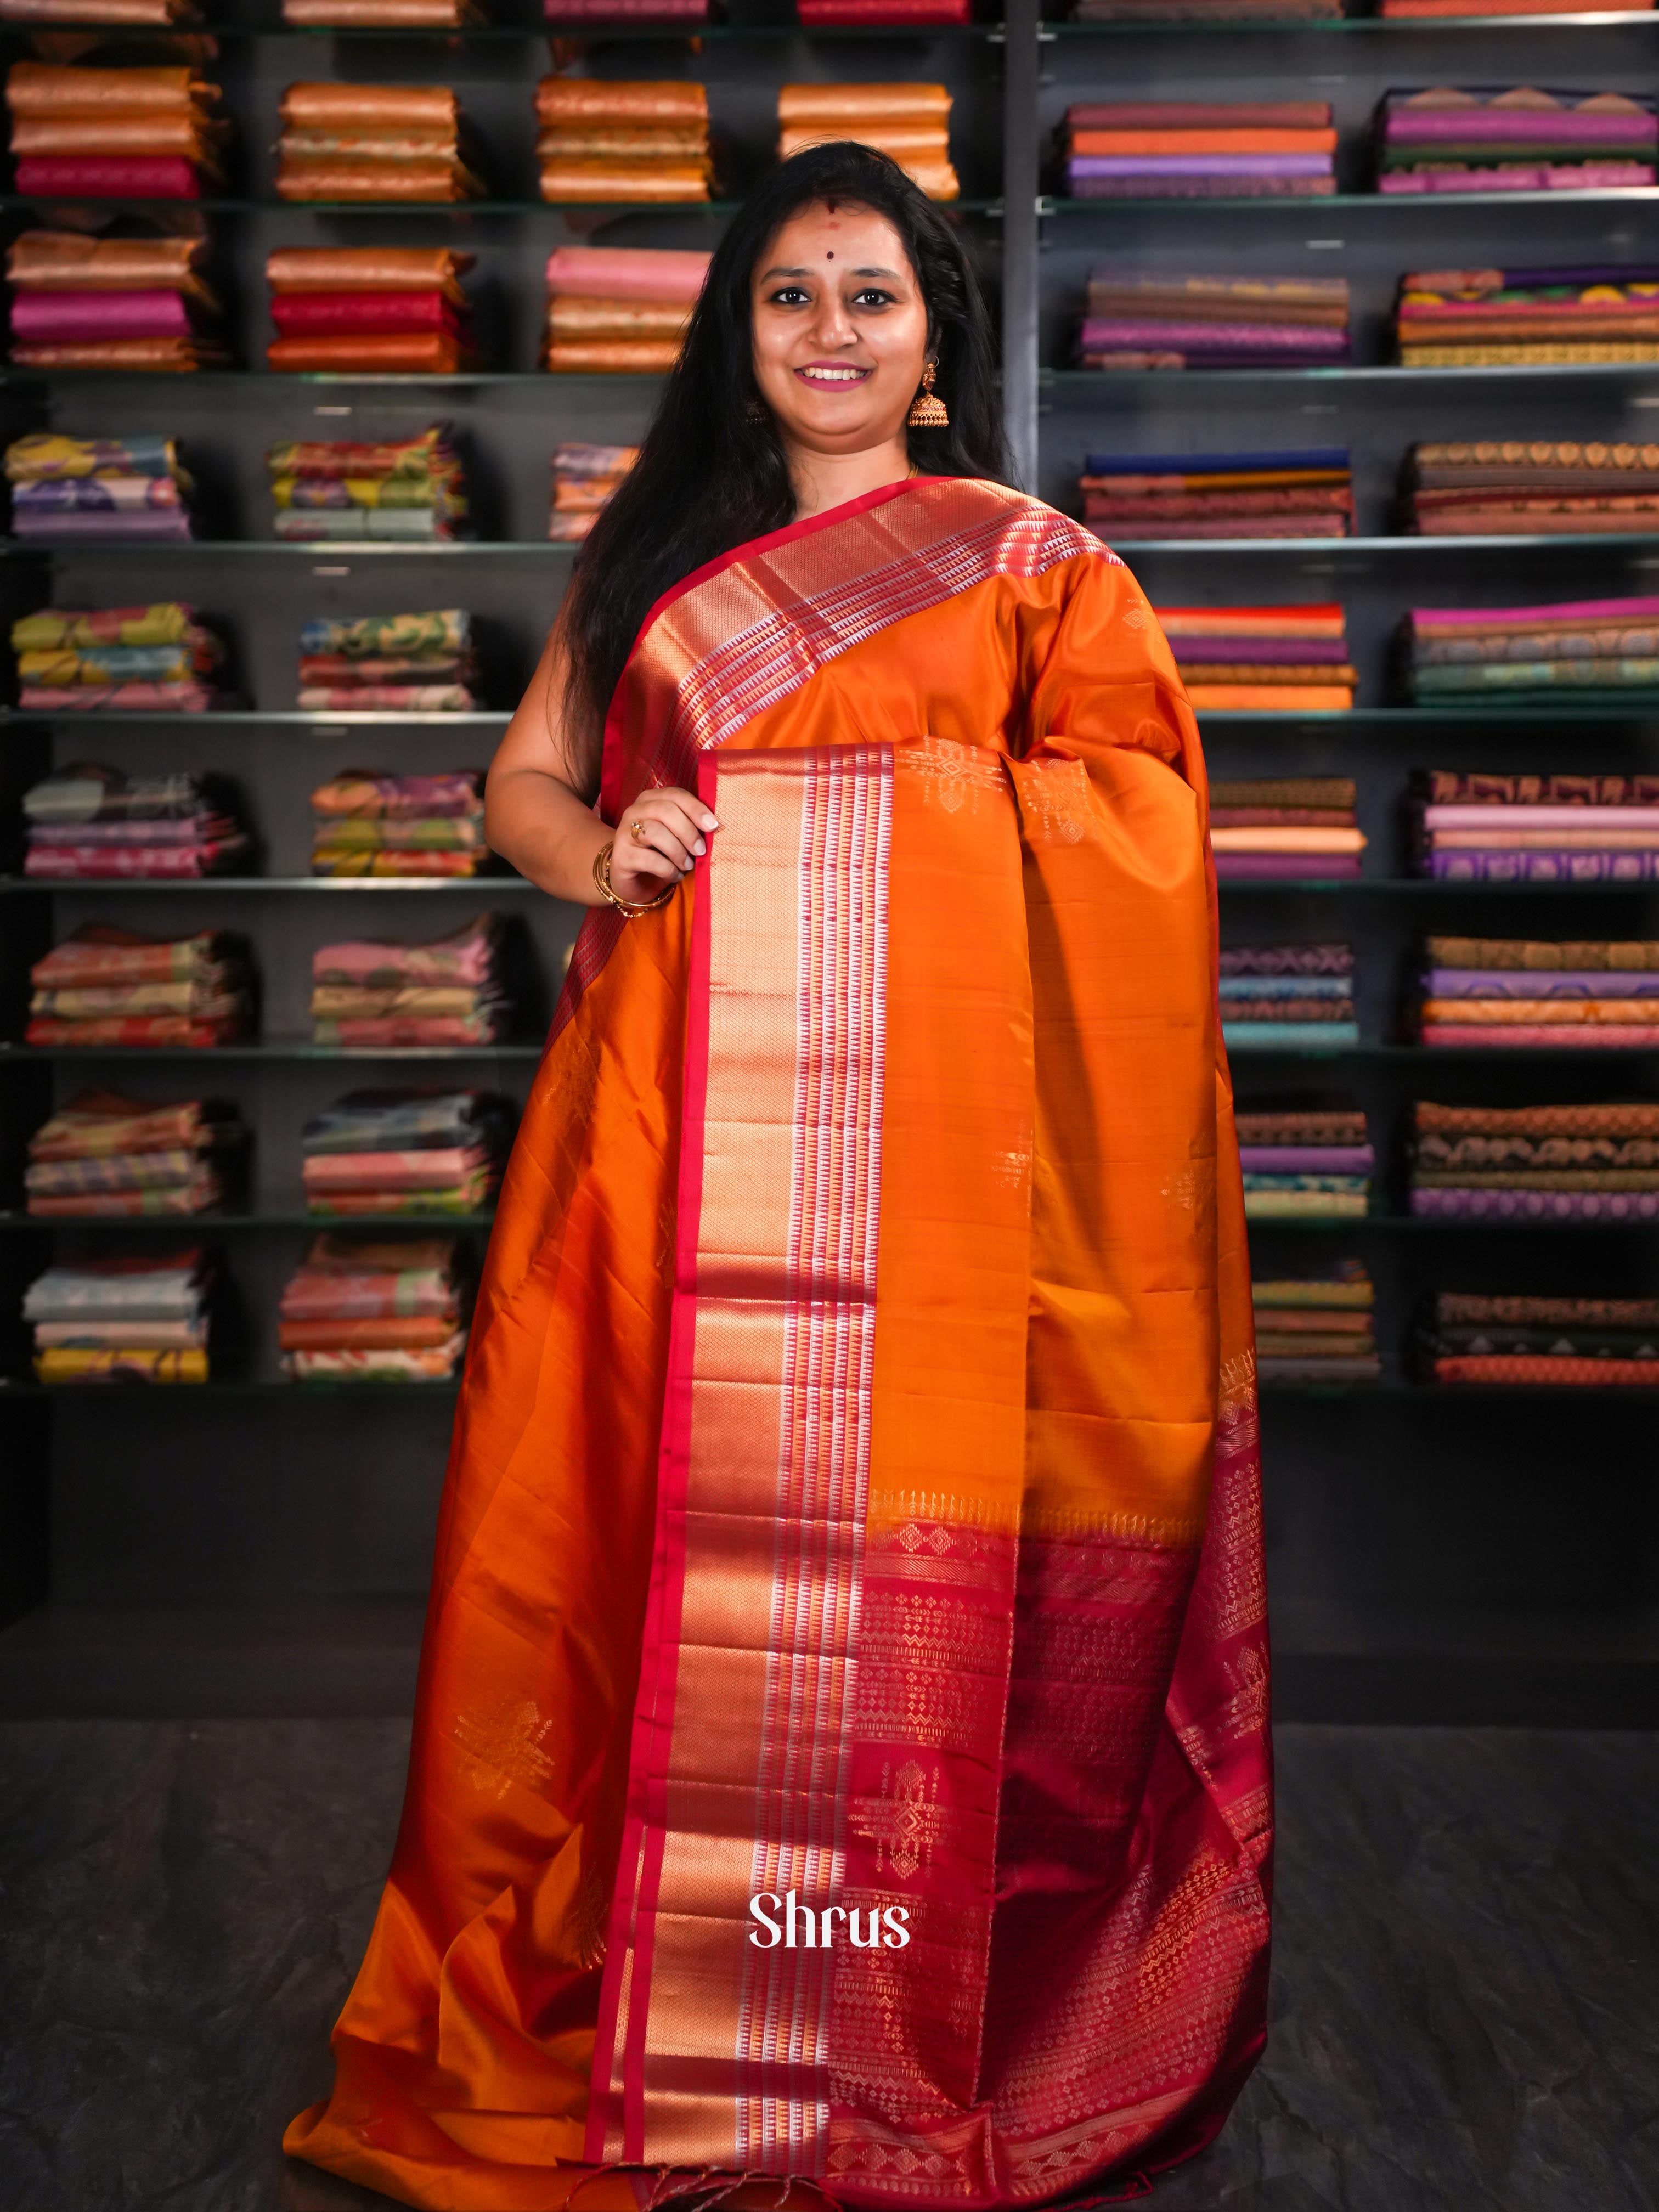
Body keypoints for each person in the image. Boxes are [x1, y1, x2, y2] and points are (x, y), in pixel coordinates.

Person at [285, 140, 1271, 2212]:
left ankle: (881, 1996)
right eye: (790, 297)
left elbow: (1139, 819)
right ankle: (680, 1985)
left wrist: (884, 824)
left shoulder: (1033, 564)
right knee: (647, 1529)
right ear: (740, 342)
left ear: (933, 347)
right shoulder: (655, 559)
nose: (832, 332)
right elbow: (526, 788)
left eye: (872, 297)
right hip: (666, 1135)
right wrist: (607, 847)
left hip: (946, 1183)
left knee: (905, 1558)